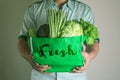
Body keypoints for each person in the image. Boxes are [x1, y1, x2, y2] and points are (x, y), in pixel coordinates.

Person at [18, 0, 100, 80]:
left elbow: (93, 41)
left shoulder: (84, 10)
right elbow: (22, 39)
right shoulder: (34, 9)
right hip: (42, 75)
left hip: (74, 75)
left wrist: (90, 56)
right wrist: (29, 58)